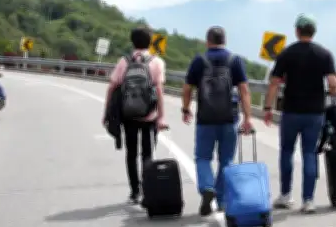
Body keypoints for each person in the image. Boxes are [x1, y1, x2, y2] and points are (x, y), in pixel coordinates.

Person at [263, 14, 336, 213]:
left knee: (286, 152)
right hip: (315, 113)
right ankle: (308, 200)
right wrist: (332, 95)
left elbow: (274, 83)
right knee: (309, 153)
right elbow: (333, 83)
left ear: (297, 31)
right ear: (314, 32)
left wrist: (268, 108)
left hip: (291, 111)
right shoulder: (325, 54)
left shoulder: (287, 53)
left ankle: (285, 195)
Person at [182, 26, 253, 216]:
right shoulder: (234, 60)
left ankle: (207, 187)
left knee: (202, 157)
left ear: (208, 41)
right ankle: (221, 200)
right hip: (229, 118)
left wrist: (186, 109)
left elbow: (187, 88)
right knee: (226, 160)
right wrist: (247, 118)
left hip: (205, 118)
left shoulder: (199, 60)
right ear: (225, 40)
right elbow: (244, 91)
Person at [104, 26, 168, 205]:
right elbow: (159, 91)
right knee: (147, 154)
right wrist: (161, 117)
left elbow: (112, 87)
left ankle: (135, 192)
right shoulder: (156, 62)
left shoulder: (124, 61)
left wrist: (107, 113)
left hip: (128, 115)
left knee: (131, 153)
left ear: (132, 42)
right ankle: (147, 190)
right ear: (150, 42)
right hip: (149, 116)